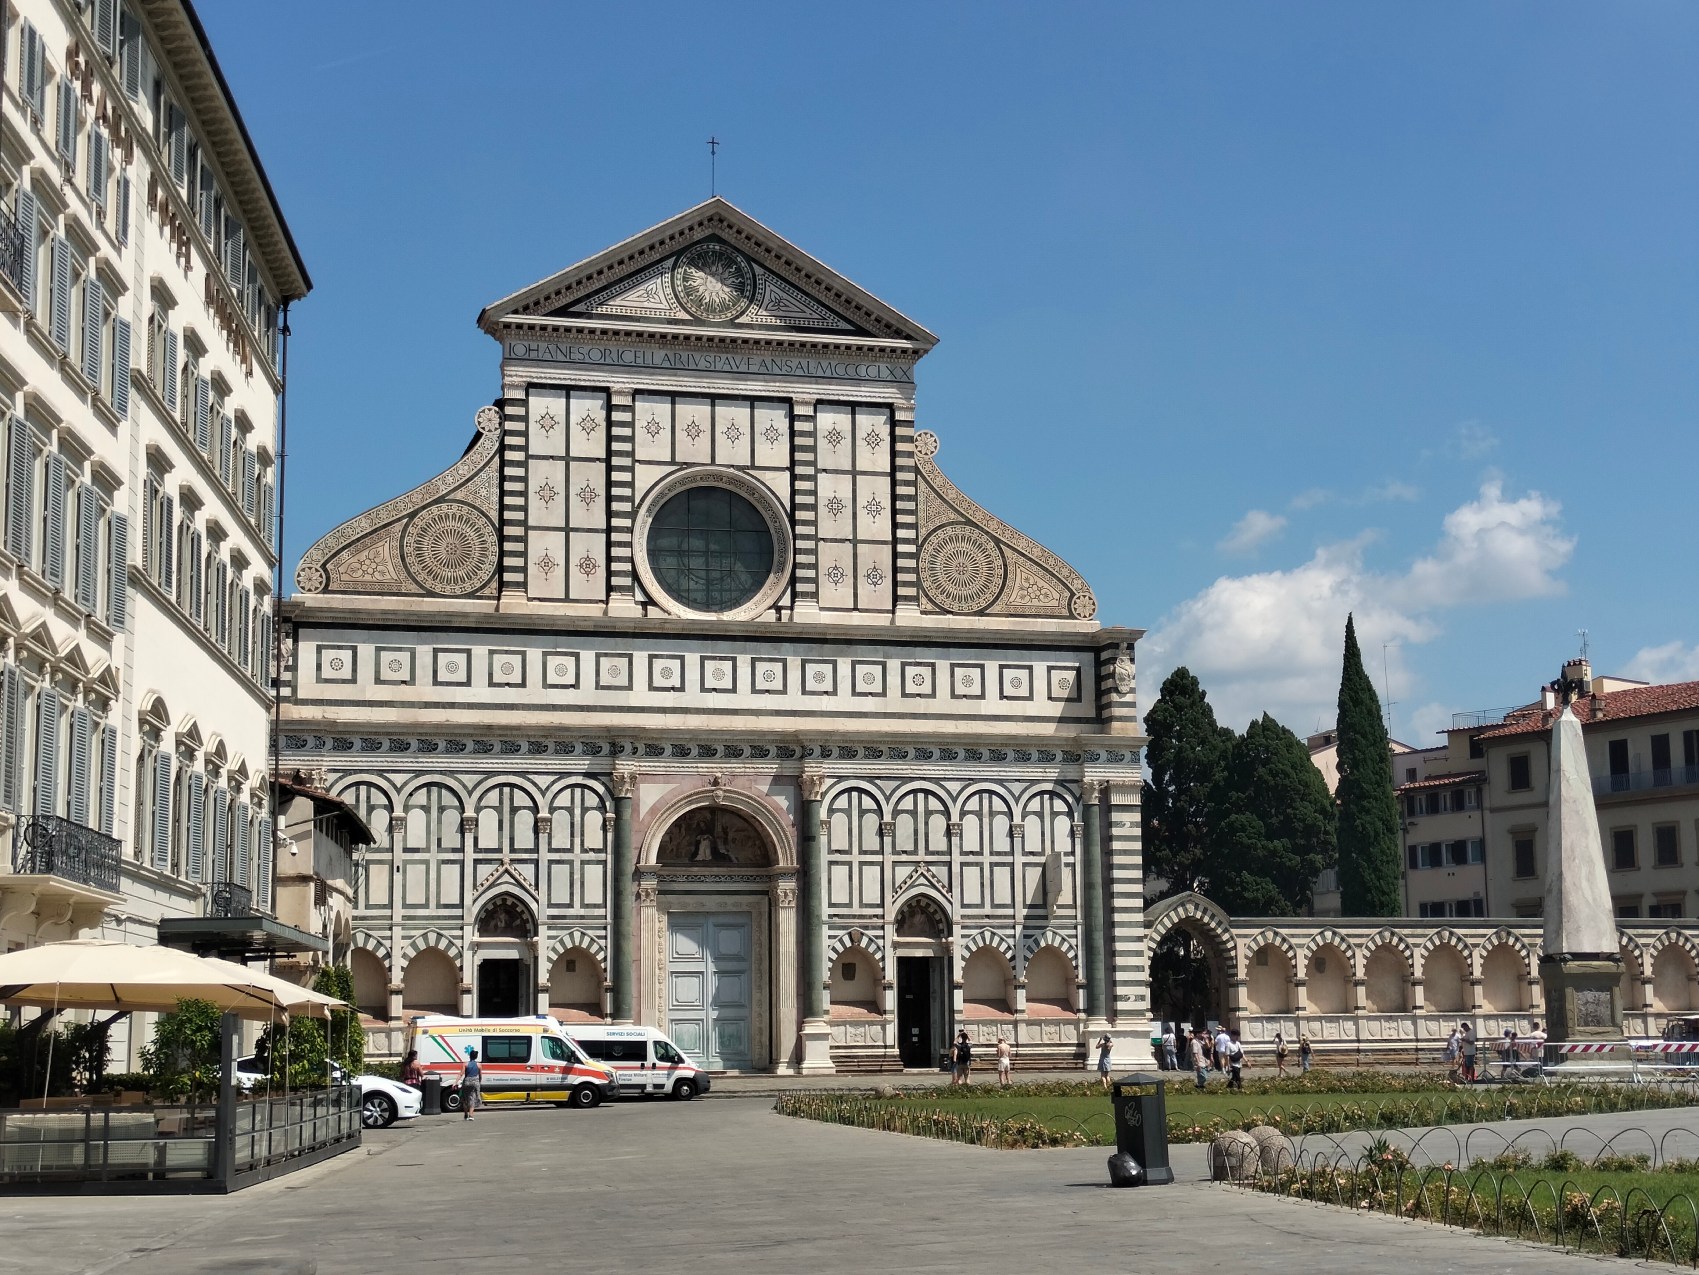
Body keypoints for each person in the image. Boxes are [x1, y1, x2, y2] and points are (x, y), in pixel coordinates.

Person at [459, 1047, 482, 1120]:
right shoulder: (479, 1065)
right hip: (475, 1082)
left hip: (467, 1082)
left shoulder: (465, 1064)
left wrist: (456, 1082)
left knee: (465, 1098)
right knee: (473, 1098)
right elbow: (480, 1075)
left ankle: (466, 1114)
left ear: (470, 1056)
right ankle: (471, 1116)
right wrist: (479, 1082)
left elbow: (461, 1074)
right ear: (476, 1057)